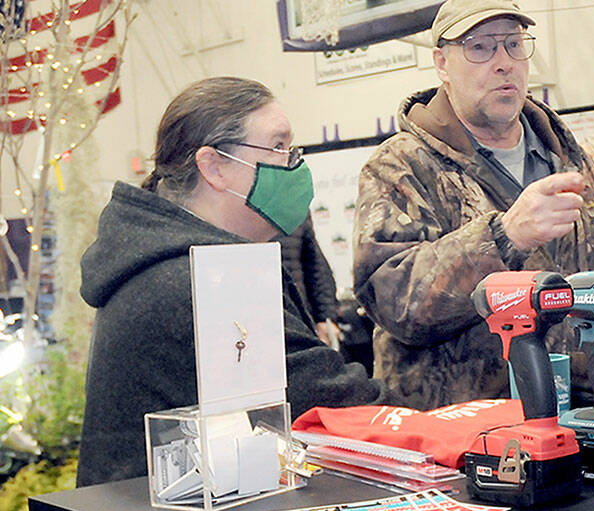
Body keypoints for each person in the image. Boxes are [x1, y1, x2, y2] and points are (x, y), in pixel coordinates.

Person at [78, 77, 391, 487]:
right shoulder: (198, 280)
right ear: (213, 167)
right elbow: (321, 395)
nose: (294, 163)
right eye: (279, 147)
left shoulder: (187, 259)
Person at [352, 0, 594, 409]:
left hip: (583, 420)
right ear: (442, 64)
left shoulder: (587, 169)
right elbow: (392, 300)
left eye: (513, 44)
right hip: (460, 436)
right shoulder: (399, 167)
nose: (503, 61)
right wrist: (504, 236)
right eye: (480, 48)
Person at [279, 216, 342, 348]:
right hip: (258, 316)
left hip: (299, 315)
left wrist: (325, 318)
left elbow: (316, 266)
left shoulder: (294, 208)